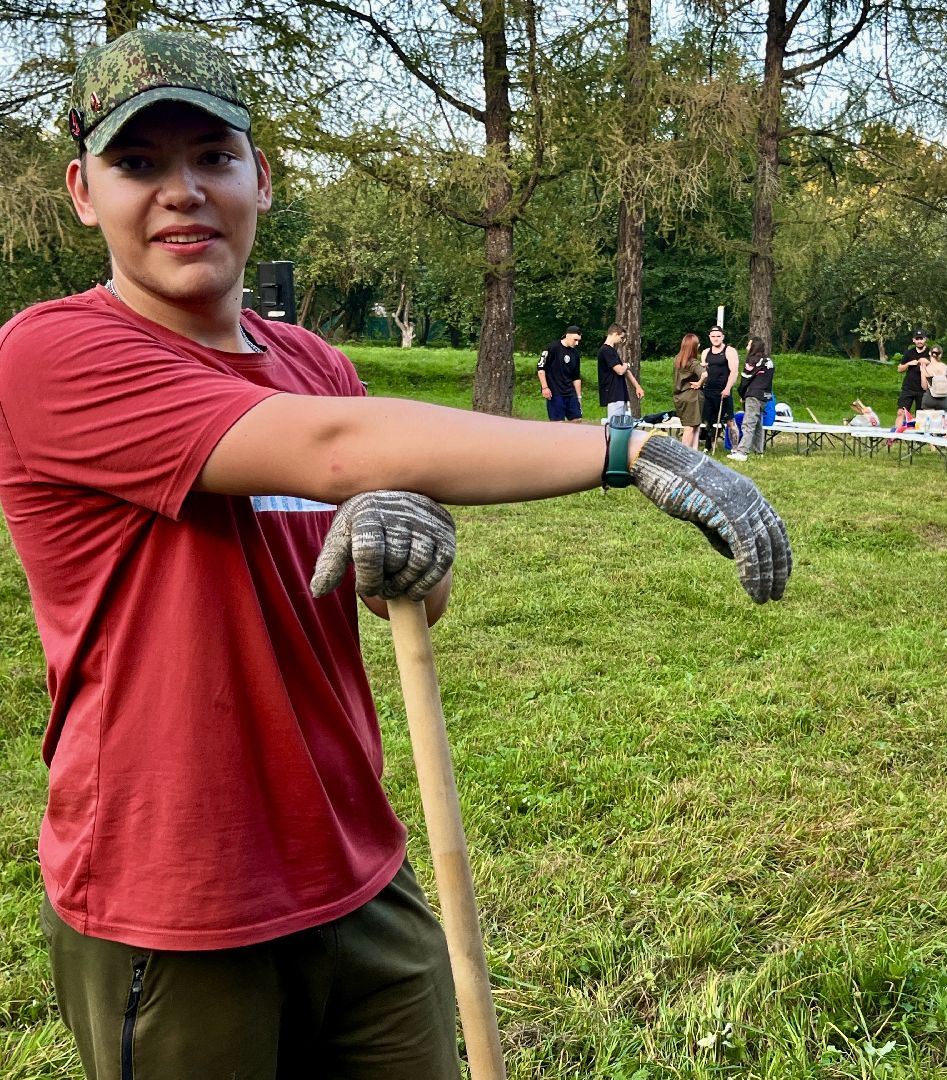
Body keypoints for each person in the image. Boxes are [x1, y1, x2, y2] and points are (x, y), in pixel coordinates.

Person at [2, 31, 790, 1080]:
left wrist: (413, 549)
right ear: (82, 191)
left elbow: (416, 595)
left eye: (212, 157)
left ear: (261, 179)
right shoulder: (54, 354)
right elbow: (332, 450)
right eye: (138, 164)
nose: (181, 191)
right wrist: (627, 448)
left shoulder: (314, 362)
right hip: (175, 891)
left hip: (354, 867)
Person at [730, 337, 774, 462]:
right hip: (764, 396)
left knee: (748, 423)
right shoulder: (768, 361)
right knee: (758, 423)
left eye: (749, 345)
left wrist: (742, 394)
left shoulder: (752, 360)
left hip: (753, 395)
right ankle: (758, 450)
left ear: (754, 346)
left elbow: (745, 379)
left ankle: (742, 451)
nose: (747, 347)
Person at [700, 325, 738, 452]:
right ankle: (710, 446)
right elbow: (703, 372)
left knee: (729, 421)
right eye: (713, 336)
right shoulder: (706, 352)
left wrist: (727, 388)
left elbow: (734, 372)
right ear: (709, 338)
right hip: (708, 390)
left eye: (718, 336)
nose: (715, 339)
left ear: (723, 337)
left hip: (723, 391)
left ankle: (735, 448)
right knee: (709, 421)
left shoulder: (729, 351)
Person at [597, 323, 644, 423]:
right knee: (615, 426)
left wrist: (637, 386)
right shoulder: (606, 351)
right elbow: (620, 370)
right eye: (621, 337)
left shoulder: (612, 351)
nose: (621, 340)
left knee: (621, 425)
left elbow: (625, 371)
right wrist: (627, 365)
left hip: (619, 394)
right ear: (614, 334)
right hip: (613, 394)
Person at [538, 324, 584, 422]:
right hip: (555, 392)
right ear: (568, 336)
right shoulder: (552, 348)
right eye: (575, 340)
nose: (577, 343)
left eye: (579, 341)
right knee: (558, 423)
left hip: (570, 393)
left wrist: (579, 397)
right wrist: (544, 387)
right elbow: (541, 368)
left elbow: (576, 377)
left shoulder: (575, 353)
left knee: (577, 419)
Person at [671, 332, 705, 449]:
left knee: (693, 426)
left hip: (679, 396)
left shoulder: (678, 359)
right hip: (692, 396)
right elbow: (705, 374)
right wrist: (699, 383)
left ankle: (694, 453)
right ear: (694, 346)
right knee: (691, 428)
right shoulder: (693, 362)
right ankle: (684, 453)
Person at [896, 328, 929, 430]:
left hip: (923, 389)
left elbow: (937, 367)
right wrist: (908, 364)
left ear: (925, 339)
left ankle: (919, 438)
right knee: (901, 412)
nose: (919, 341)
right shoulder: (909, 353)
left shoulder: (930, 353)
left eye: (921, 338)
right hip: (908, 388)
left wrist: (926, 362)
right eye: (917, 339)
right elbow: (899, 369)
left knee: (921, 415)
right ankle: (896, 436)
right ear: (913, 340)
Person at [920, 345, 947, 412]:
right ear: (940, 355)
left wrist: (922, 371)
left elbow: (924, 387)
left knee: (928, 422)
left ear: (929, 353)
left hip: (929, 399)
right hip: (943, 401)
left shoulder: (926, 369)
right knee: (942, 421)